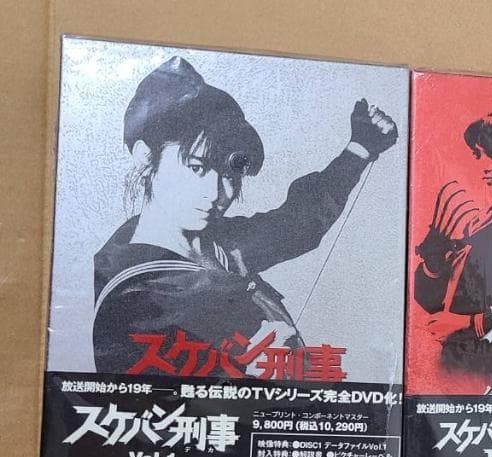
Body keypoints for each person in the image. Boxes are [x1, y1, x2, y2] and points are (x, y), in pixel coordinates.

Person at [93, 56, 398, 376]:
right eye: (196, 167)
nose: (215, 193)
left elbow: (297, 223)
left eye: (228, 173)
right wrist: (246, 377)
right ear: (146, 158)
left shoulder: (217, 243)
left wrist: (360, 147)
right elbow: (144, 399)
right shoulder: (130, 295)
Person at [411, 101, 492, 380]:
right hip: (457, 369)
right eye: (477, 155)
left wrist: (465, 323)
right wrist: (433, 263)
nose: (483, 166)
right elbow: (432, 302)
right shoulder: (482, 223)